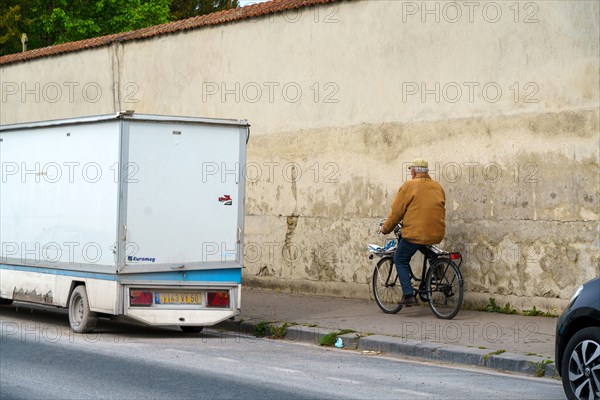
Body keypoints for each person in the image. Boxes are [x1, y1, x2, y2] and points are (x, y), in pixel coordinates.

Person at [379, 158, 446, 306]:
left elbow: (396, 212)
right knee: (423, 245)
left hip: (415, 233)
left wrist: (385, 228)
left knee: (400, 259)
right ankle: (436, 264)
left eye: (411, 171)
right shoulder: (437, 187)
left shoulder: (409, 186)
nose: (411, 173)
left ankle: (408, 295)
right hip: (436, 233)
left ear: (414, 172)